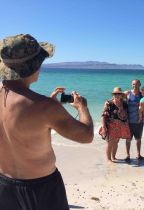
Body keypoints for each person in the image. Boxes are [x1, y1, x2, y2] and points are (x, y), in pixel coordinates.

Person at [0, 34, 93, 210]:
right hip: (41, 188)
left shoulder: (41, 106)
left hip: (4, 185)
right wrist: (82, 108)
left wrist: (49, 102)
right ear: (34, 66)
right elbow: (86, 135)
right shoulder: (45, 107)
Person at [99, 87, 131, 163]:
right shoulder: (109, 103)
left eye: (118, 94)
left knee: (116, 142)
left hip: (120, 126)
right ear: (113, 95)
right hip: (110, 125)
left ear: (121, 95)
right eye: (115, 94)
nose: (117, 95)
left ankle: (114, 157)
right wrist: (103, 127)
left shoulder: (124, 103)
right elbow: (103, 115)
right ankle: (109, 159)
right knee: (110, 142)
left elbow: (126, 115)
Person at [124, 79, 144, 163]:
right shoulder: (128, 94)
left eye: (136, 84)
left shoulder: (142, 95)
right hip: (128, 121)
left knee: (138, 139)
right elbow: (117, 98)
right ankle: (127, 155)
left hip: (139, 121)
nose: (134, 86)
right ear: (131, 84)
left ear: (139, 85)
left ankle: (139, 154)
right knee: (128, 139)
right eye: (133, 84)